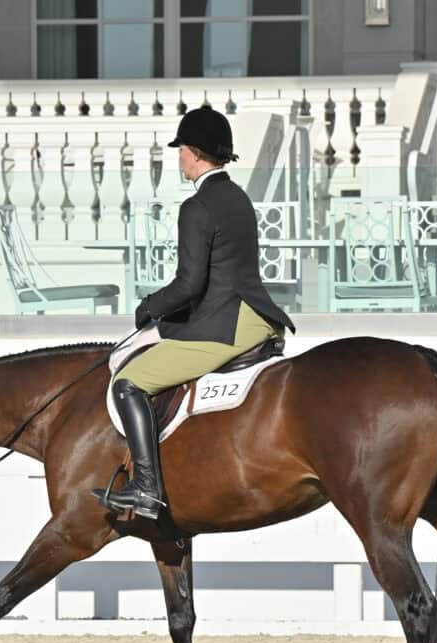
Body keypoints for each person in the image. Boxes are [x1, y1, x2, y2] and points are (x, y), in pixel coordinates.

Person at [94, 105, 296, 520]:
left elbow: (190, 284)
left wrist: (149, 307)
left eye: (181, 150)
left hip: (226, 325)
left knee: (129, 381)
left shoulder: (197, 206)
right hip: (257, 315)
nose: (179, 158)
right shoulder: (238, 198)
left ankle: (147, 487)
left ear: (194, 152)